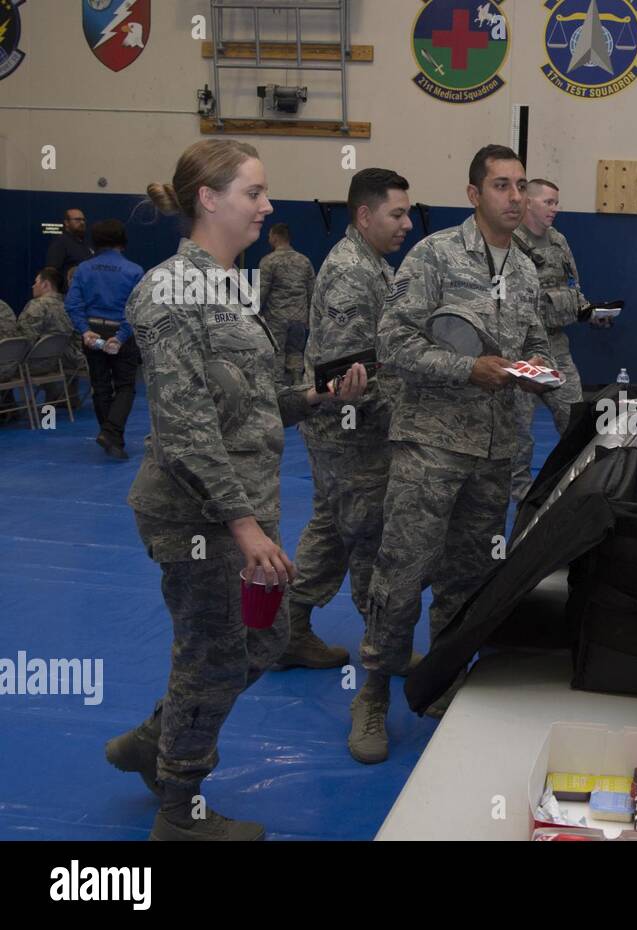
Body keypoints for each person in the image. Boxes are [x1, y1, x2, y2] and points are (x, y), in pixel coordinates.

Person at [102, 139, 366, 841]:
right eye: (254, 192)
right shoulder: (168, 294)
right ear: (209, 199)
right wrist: (246, 528)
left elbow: (249, 403)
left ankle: (155, 741)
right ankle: (179, 810)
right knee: (216, 651)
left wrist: (316, 395)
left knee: (257, 638)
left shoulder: (224, 286)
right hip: (201, 515)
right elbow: (187, 434)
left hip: (238, 508)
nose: (268, 205)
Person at [355, 144, 552, 764]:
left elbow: (540, 341)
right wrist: (468, 369)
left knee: (466, 579)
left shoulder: (525, 269)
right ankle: (372, 697)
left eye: (521, 186)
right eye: (502, 186)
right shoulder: (435, 255)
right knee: (404, 573)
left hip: (495, 453)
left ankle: (439, 682)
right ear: (474, 195)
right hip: (430, 446)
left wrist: (538, 370)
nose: (515, 197)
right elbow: (392, 341)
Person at [280, 168, 413, 670]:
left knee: (332, 529)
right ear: (364, 214)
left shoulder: (372, 263)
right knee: (369, 538)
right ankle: (386, 651)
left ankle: (287, 629)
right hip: (349, 435)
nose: (406, 225)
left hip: (353, 434)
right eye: (396, 214)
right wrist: (410, 411)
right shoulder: (352, 273)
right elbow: (346, 381)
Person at [508, 178, 608, 503]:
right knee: (520, 434)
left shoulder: (559, 241)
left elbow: (573, 287)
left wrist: (589, 312)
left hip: (556, 346)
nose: (556, 208)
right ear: (528, 203)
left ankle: (576, 487)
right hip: (520, 350)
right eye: (549, 202)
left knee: (575, 418)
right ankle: (522, 501)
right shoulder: (509, 243)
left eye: (557, 202)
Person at [65, 219, 144, 459]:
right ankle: (111, 434)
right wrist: (120, 337)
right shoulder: (134, 270)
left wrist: (85, 330)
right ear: (123, 241)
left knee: (100, 387)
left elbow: (72, 304)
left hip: (92, 332)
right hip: (122, 332)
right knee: (125, 387)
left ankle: (110, 435)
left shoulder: (83, 269)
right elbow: (137, 310)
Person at [18, 267, 87, 407]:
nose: (33, 286)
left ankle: (9, 409)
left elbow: (23, 340)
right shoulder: (69, 305)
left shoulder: (36, 306)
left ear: (45, 284)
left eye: (36, 282)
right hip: (62, 362)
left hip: (34, 366)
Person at [257, 222, 316, 384]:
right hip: (299, 319)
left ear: (275, 237)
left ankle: (277, 394)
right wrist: (310, 319)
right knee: (296, 353)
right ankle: (297, 388)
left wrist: (252, 318)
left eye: (269, 236)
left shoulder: (267, 261)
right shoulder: (305, 261)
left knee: (277, 353)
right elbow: (313, 292)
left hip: (276, 318)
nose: (268, 239)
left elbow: (259, 294)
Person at [45, 208, 94, 280]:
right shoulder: (60, 242)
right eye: (77, 220)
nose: (82, 223)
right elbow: (51, 271)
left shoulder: (87, 243)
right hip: (69, 289)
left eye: (83, 220)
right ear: (66, 223)